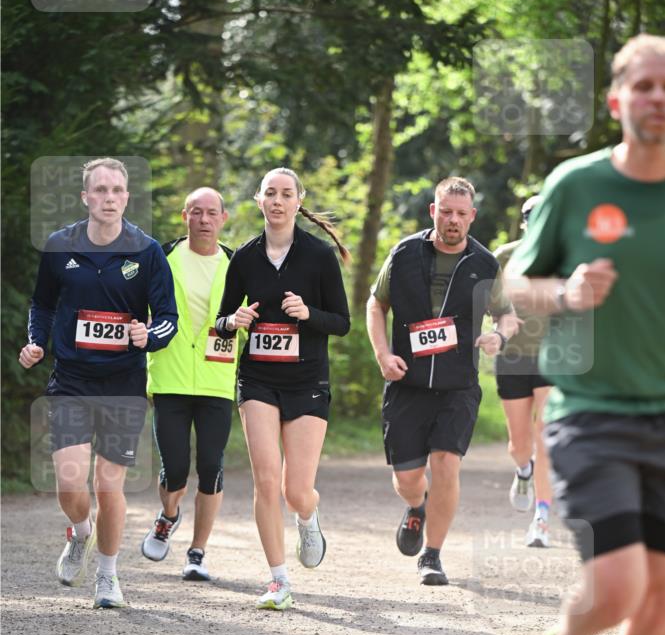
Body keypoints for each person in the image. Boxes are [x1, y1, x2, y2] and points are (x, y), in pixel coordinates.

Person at [507, 34, 665, 635]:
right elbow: (513, 279)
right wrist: (563, 292)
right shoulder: (576, 185)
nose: (657, 98)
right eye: (643, 85)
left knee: (659, 604)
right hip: (593, 414)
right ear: (617, 101)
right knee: (618, 586)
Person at [19, 157, 177, 609]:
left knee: (110, 486)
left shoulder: (146, 252)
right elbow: (42, 305)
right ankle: (80, 533)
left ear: (126, 197)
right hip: (70, 380)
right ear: (86, 197)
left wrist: (149, 336)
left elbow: (169, 319)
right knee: (70, 485)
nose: (109, 198)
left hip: (123, 384)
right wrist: (36, 342)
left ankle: (108, 577)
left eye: (117, 191)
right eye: (101, 190)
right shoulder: (59, 246)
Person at [366, 176, 519, 585]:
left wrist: (498, 335)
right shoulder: (403, 253)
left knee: (447, 463)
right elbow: (376, 305)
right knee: (408, 478)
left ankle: (432, 555)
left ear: (472, 217)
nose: (453, 220)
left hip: (458, 385)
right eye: (445, 211)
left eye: (461, 214)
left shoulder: (485, 264)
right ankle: (417, 506)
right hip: (407, 383)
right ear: (433, 211)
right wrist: (383, 354)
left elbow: (507, 314)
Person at [215, 167, 350, 611]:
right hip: (257, 379)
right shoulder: (245, 258)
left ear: (298, 201)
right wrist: (233, 322)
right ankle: (278, 579)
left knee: (295, 489)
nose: (277, 200)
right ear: (259, 200)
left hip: (308, 380)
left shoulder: (319, 256)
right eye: (269, 193)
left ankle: (307, 516)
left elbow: (342, 323)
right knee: (266, 479)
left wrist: (308, 313)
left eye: (285, 193)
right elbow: (221, 322)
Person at [141, 187, 238, 581]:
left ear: (223, 218)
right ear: (185, 216)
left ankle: (197, 552)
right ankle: (168, 516)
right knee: (175, 467)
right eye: (195, 212)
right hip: (170, 376)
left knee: (211, 468)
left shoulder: (238, 264)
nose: (203, 220)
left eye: (210, 213)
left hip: (217, 380)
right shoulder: (161, 257)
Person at [494, 195, 552, 547]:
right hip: (513, 356)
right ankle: (523, 469)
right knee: (520, 444)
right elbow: (488, 300)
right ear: (525, 221)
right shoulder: (504, 255)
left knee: (546, 440)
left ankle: (542, 517)